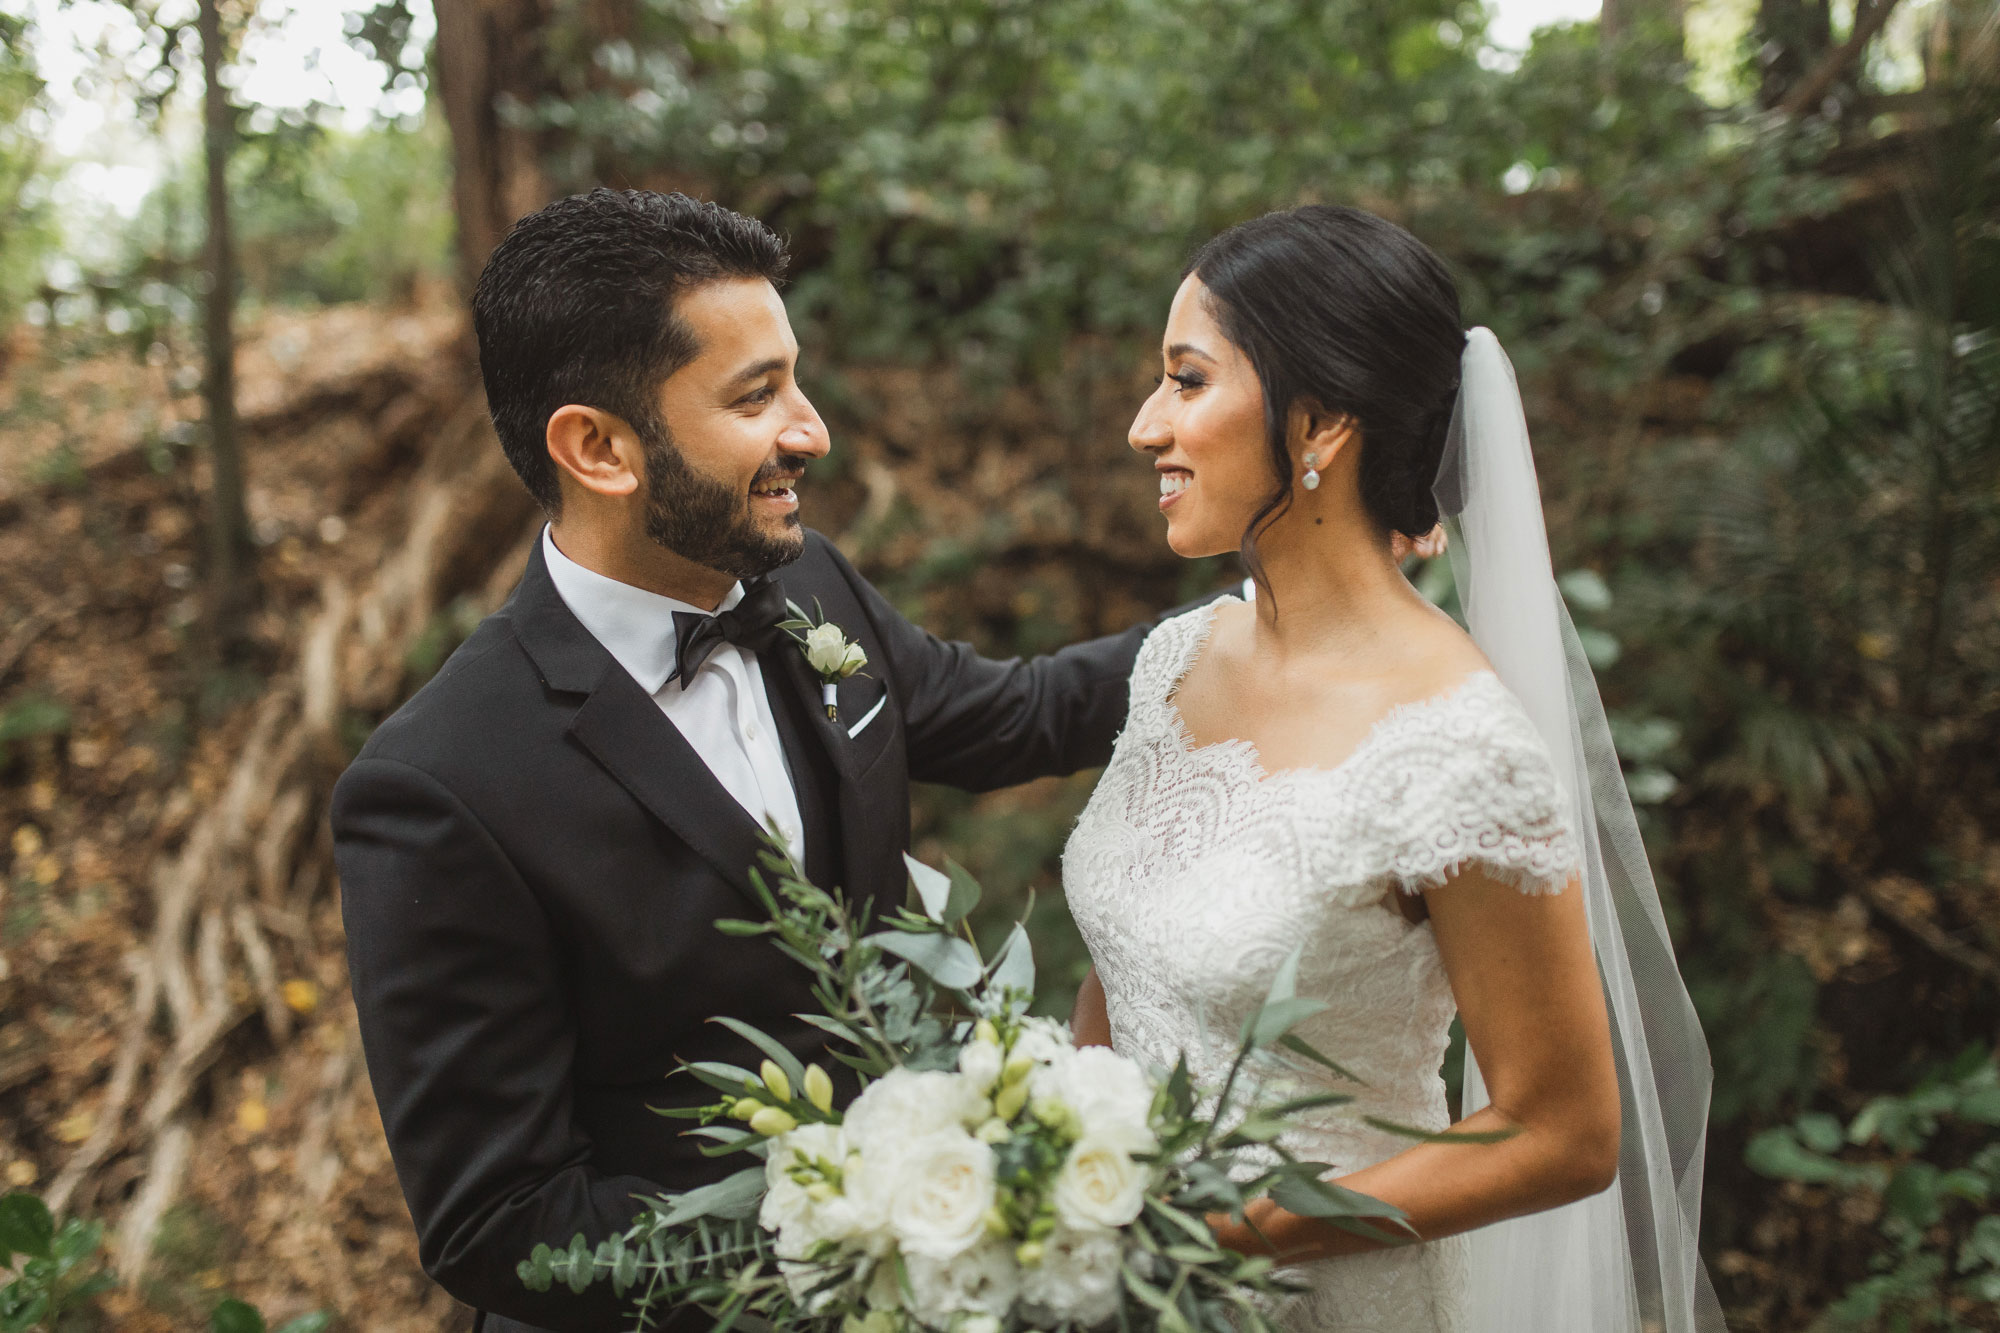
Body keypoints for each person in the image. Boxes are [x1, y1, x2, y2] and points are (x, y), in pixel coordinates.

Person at [331, 189, 1201, 1333]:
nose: (811, 430)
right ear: (597, 447)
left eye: (792, 377)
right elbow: (502, 1223)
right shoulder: (439, 787)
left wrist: (1263, 619)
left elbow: (1012, 714)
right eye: (757, 396)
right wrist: (871, 1224)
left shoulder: (806, 586)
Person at [1063, 205, 1724, 1332]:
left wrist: (1217, 1229)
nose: (1142, 426)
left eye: (1184, 380)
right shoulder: (1178, 658)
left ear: (1317, 422)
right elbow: (1126, 976)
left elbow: (1561, 1133)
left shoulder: (1451, 743)